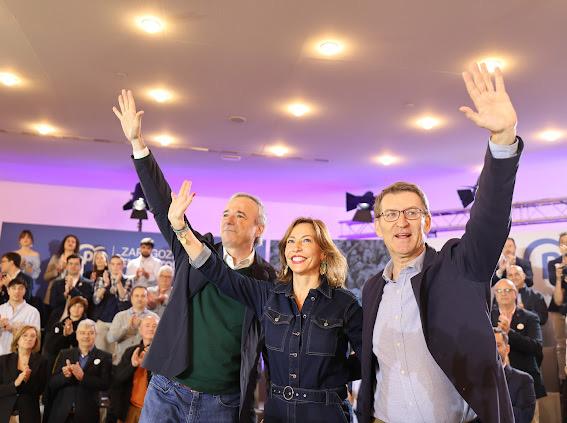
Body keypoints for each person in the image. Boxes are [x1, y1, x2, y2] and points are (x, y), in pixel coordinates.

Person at [357, 63, 519, 423]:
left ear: (427, 222)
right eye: (391, 215)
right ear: (378, 227)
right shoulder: (372, 289)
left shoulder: (459, 267)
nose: (402, 222)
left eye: (412, 213)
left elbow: (489, 218)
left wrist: (503, 139)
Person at [113, 89, 276, 423]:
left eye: (241, 216)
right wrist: (138, 144)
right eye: (227, 213)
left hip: (222, 403)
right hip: (167, 391)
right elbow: (161, 203)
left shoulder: (268, 280)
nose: (229, 218)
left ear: (259, 229)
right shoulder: (194, 250)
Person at [168, 183, 362, 423]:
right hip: (278, 412)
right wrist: (180, 227)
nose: (296, 248)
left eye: (306, 241)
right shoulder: (267, 295)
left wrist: (331, 371)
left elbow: (368, 360)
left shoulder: (345, 303)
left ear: (323, 252)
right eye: (291, 241)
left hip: (325, 412)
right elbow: (216, 270)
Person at [491, 279, 546, 419]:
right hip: (495, 385)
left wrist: (509, 332)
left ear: (515, 294)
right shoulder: (488, 318)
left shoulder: (530, 318)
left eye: (508, 290)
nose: (503, 294)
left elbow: (536, 347)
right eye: (499, 291)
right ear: (495, 295)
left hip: (525, 384)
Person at [46, 319, 112, 423]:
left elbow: (105, 384)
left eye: (90, 333)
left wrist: (83, 377)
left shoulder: (105, 357)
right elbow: (52, 383)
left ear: (96, 335)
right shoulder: (65, 354)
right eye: (82, 333)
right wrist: (65, 376)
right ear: (76, 335)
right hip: (61, 413)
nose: (86, 336)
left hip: (87, 413)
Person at [111, 315, 159, 423]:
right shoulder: (131, 351)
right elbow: (118, 379)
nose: (151, 328)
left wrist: (150, 364)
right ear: (140, 330)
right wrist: (133, 365)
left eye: (155, 326)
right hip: (130, 407)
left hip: (154, 409)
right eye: (147, 325)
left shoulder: (165, 355)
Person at [0, 325, 48, 423]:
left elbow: (42, 390)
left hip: (29, 414)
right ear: (17, 339)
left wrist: (27, 379)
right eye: (25, 335)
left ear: (36, 340)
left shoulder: (42, 361)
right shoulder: (3, 360)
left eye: (33, 336)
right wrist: (15, 384)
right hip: (4, 413)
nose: (29, 338)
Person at [107, 286, 158, 365]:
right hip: (122, 360)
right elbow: (110, 339)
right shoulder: (120, 316)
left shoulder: (155, 318)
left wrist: (144, 326)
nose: (139, 299)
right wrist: (127, 327)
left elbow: (160, 339)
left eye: (143, 296)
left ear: (147, 298)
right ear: (131, 298)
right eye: (136, 296)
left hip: (145, 361)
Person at [494, 328, 536, 423]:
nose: (494, 350)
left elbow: (523, 418)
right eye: (489, 346)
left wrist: (491, 404)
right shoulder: (476, 380)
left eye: (498, 345)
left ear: (507, 349)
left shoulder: (524, 380)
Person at [92, 254, 131, 352]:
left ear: (123, 265)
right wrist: (106, 285)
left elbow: (124, 298)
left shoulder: (127, 280)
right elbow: (96, 299)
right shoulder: (102, 279)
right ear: (109, 265)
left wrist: (118, 283)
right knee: (99, 351)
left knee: (115, 353)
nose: (115, 267)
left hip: (119, 323)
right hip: (102, 321)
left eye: (118, 264)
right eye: (113, 264)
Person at [48, 254, 93, 328]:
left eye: (76, 264)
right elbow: (52, 304)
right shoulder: (57, 283)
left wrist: (72, 288)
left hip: (79, 322)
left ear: (81, 266)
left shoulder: (88, 284)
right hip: (58, 319)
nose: (73, 266)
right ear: (66, 266)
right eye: (70, 264)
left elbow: (87, 302)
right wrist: (65, 294)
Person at [43, 296, 88, 369]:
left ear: (84, 310)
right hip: (54, 358)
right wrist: (64, 335)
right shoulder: (58, 325)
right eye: (74, 306)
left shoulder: (86, 326)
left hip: (73, 362)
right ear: (69, 308)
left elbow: (81, 347)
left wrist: (71, 334)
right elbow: (50, 346)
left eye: (80, 307)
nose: (76, 309)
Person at [0, 279, 41, 355]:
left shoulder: (32, 312)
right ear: (8, 290)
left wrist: (12, 329)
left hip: (20, 356)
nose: (17, 291)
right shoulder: (1, 309)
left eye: (20, 288)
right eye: (13, 288)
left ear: (25, 291)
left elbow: (35, 338)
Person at [547, 232, 567, 384]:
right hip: (558, 307)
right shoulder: (553, 263)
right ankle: (562, 378)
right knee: (560, 343)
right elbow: (555, 284)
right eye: (563, 243)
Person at [43, 234, 80, 304]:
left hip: (71, 293)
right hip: (54, 292)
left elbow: (79, 277)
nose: (70, 243)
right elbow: (46, 277)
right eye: (68, 241)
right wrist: (56, 271)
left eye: (73, 242)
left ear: (76, 245)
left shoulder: (79, 259)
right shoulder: (55, 258)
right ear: (64, 244)